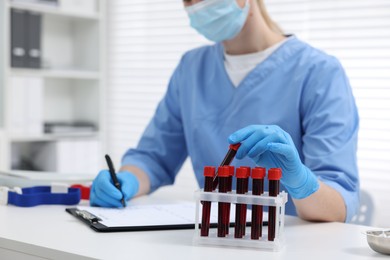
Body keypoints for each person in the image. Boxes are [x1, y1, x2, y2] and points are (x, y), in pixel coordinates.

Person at [91, 0, 359, 223]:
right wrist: (125, 180)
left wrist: (300, 181)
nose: (196, 6)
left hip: (289, 246)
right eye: (188, 0)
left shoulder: (319, 72)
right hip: (213, 238)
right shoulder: (191, 68)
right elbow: (153, 158)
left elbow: (337, 207)